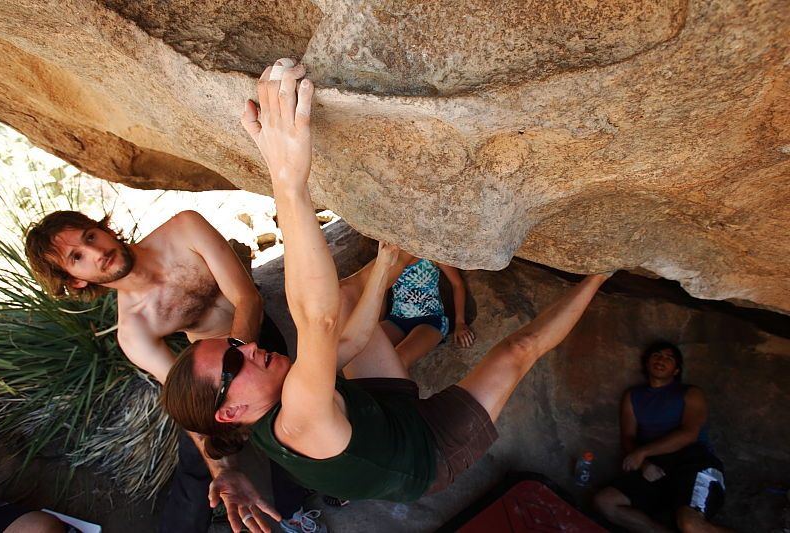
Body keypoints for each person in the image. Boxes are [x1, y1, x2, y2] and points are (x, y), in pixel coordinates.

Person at [160, 58, 610, 528]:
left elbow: (348, 343)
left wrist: (385, 268)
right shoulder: (297, 420)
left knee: (349, 301)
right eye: (234, 363)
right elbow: (318, 321)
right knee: (518, 350)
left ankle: (406, 249)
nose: (249, 345)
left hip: (379, 413)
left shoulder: (281, 395)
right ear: (231, 412)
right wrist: (286, 175)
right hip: (427, 454)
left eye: (234, 344)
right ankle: (603, 272)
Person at [23, 208, 314, 532]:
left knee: (280, 426)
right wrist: (223, 469)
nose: (96, 251)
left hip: (254, 339)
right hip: (212, 374)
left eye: (90, 236)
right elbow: (184, 399)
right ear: (76, 280)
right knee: (198, 450)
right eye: (77, 257)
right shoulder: (134, 330)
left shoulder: (184, 229)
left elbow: (248, 298)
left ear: (103, 229)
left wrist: (237, 368)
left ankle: (296, 506)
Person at [594, 342, 731, 532]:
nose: (661, 360)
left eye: (669, 358)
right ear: (647, 362)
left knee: (690, 525)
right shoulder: (633, 396)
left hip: (694, 463)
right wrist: (644, 464)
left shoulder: (690, 393)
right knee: (605, 502)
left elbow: (689, 435)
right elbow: (628, 436)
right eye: (656, 355)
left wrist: (642, 452)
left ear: (676, 370)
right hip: (657, 467)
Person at [381, 255, 475, 369]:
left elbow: (457, 284)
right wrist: (378, 323)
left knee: (398, 359)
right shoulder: (391, 256)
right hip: (396, 320)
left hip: (431, 321)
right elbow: (382, 290)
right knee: (365, 350)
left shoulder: (432, 254)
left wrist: (460, 322)